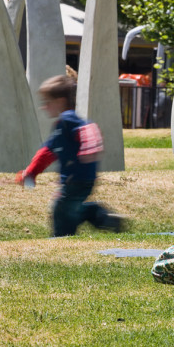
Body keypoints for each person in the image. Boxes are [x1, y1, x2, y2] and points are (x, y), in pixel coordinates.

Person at [15, 74, 126, 237]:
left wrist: (89, 148)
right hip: (86, 179)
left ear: (59, 101)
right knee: (72, 209)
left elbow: (87, 130)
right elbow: (47, 151)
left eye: (47, 102)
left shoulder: (66, 120)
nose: (44, 107)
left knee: (61, 211)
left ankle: (60, 240)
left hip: (74, 179)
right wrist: (31, 172)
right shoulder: (66, 125)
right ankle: (101, 217)